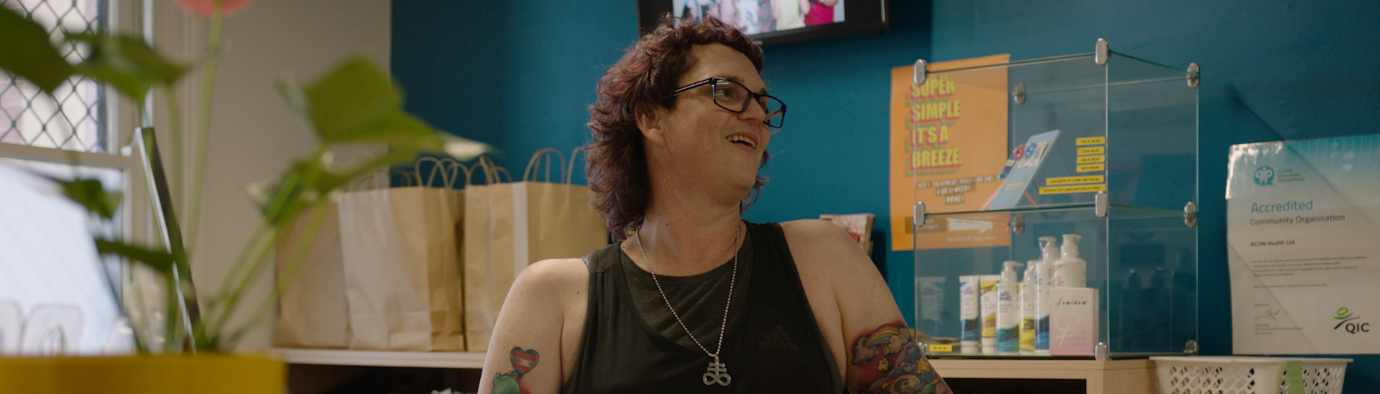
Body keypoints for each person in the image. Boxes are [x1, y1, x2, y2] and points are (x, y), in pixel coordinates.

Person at [478, 15, 952, 394]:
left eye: (764, 104)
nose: (755, 113)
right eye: (726, 92)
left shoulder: (824, 258)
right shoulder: (553, 298)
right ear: (651, 118)